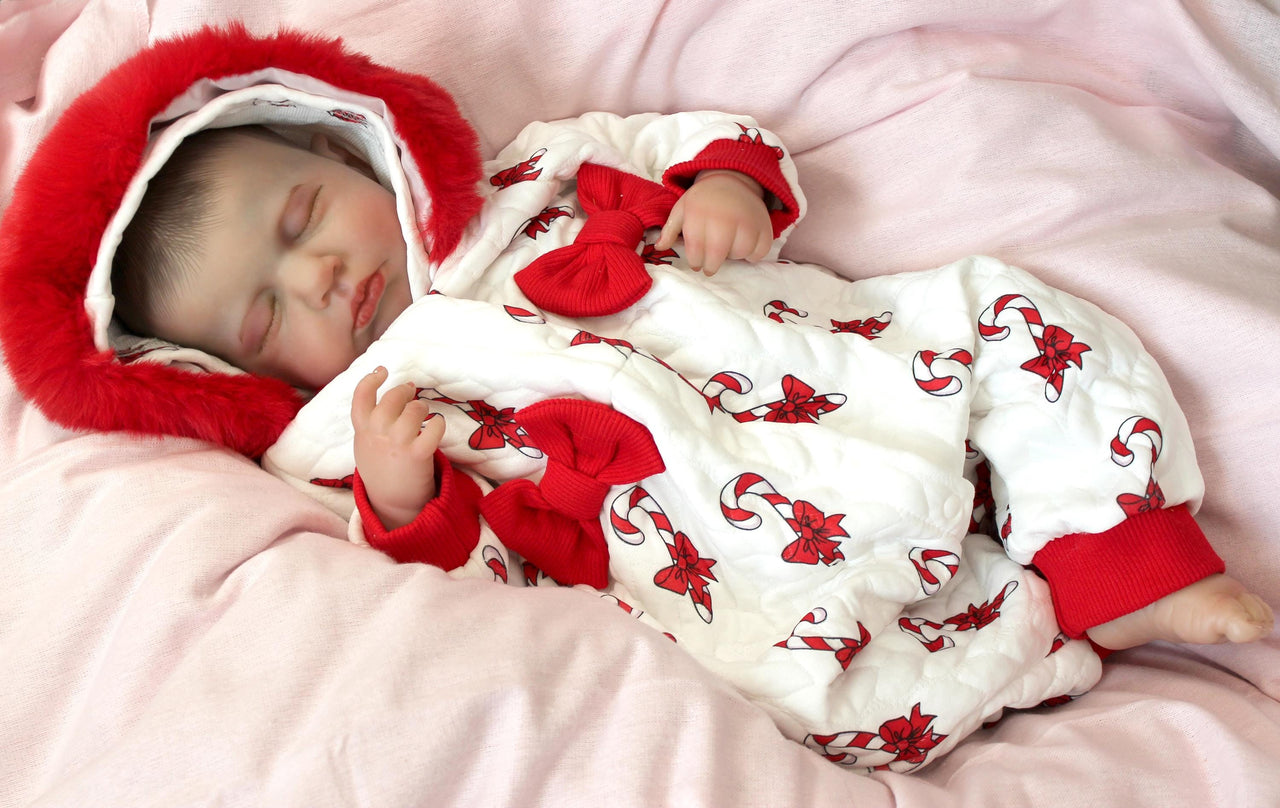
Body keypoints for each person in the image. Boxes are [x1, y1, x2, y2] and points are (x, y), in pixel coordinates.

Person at [72, 28, 1269, 770]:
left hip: (833, 371)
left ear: (344, 150)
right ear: (234, 375)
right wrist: (404, 497)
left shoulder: (529, 173)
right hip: (713, 538)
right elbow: (470, 576)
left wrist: (729, 185)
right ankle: (1015, 654)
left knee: (1014, 321)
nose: (318, 278)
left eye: (300, 224)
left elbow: (690, 137)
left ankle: (1120, 564)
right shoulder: (356, 421)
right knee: (791, 681)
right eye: (268, 317)